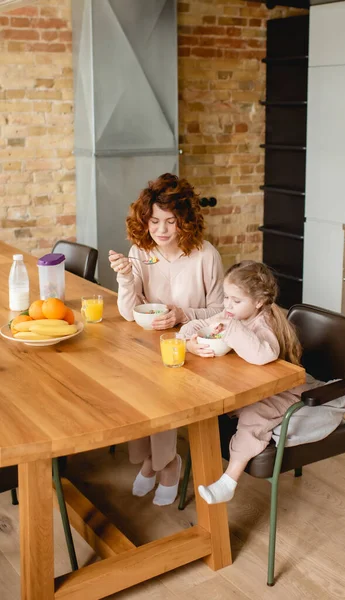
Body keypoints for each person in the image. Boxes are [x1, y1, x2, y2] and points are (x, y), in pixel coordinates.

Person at [180, 261, 345, 505]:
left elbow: (263, 355)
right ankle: (205, 463)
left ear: (258, 302)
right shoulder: (233, 314)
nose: (227, 305)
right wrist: (189, 342)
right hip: (250, 386)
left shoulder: (265, 322)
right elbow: (198, 325)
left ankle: (229, 480)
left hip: (284, 390)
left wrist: (231, 328)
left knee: (254, 414)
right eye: (226, 297)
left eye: (235, 300)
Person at [109, 173, 224, 506]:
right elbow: (131, 314)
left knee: (162, 393)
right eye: (154, 221)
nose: (160, 230)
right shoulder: (140, 252)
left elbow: (220, 312)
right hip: (148, 345)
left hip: (195, 348)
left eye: (170, 222)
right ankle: (152, 461)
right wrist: (126, 279)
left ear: (185, 221)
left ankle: (169, 464)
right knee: (132, 388)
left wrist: (181, 315)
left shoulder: (206, 256)